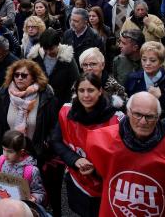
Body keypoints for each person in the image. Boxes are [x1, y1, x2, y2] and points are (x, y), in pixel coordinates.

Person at [85, 92, 165, 217]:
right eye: (137, 114)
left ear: (158, 117)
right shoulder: (105, 139)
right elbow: (100, 172)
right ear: (128, 112)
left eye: (149, 116)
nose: (143, 121)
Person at [50, 73, 123, 217]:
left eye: (90, 90)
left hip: (105, 187)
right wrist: (75, 160)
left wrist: (96, 169)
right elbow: (56, 141)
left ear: (100, 91)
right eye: (81, 90)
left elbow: (122, 159)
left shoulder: (117, 120)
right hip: (77, 182)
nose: (86, 95)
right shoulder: (66, 112)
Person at [0, 59, 60, 216]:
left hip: (39, 152)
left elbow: (55, 126)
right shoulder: (5, 93)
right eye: (16, 74)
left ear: (34, 77)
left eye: (24, 75)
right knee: (14, 192)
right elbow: (0, 122)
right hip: (13, 152)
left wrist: (47, 144)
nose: (19, 78)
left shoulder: (46, 96)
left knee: (42, 192)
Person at [0, 130, 46, 207]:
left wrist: (34, 199)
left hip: (20, 209)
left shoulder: (32, 171)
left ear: (21, 152)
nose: (5, 154)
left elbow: (39, 192)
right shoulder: (2, 160)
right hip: (3, 204)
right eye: (3, 149)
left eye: (10, 151)